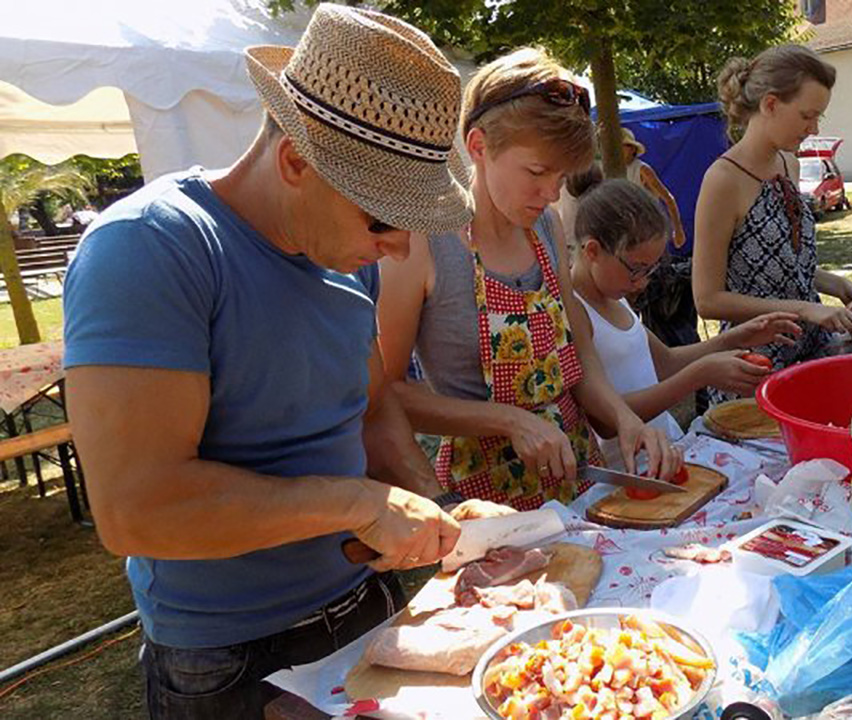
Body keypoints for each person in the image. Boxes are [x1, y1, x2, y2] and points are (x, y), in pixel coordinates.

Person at [62, 6, 509, 717]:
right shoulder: (153, 248)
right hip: (232, 656)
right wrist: (356, 501)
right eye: (382, 220)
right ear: (295, 160)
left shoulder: (344, 254)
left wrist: (434, 504)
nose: (398, 249)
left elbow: (367, 406)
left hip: (365, 609)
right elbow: (134, 508)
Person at [377, 47, 679, 512]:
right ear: (479, 147)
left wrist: (624, 419)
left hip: (579, 474)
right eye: (537, 172)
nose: (552, 192)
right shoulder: (422, 242)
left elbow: (578, 354)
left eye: (561, 176)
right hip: (487, 497)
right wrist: (508, 421)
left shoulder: (546, 227)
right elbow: (387, 392)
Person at [569, 177, 801, 465]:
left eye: (650, 270)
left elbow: (664, 362)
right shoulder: (574, 311)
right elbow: (605, 420)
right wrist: (699, 375)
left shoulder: (614, 296)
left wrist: (737, 336)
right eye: (636, 269)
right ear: (592, 251)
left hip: (664, 452)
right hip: (626, 470)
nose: (642, 284)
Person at [693, 44, 852, 394]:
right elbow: (708, 299)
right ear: (770, 104)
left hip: (810, 355)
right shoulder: (723, 180)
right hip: (753, 369)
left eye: (819, 116)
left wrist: (835, 284)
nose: (814, 127)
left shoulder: (787, 163)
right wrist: (805, 310)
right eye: (807, 116)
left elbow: (779, 265)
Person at [621, 127, 686, 249]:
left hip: (646, 228)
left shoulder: (642, 169)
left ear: (632, 149)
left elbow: (668, 198)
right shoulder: (610, 171)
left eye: (623, 145)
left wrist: (677, 229)